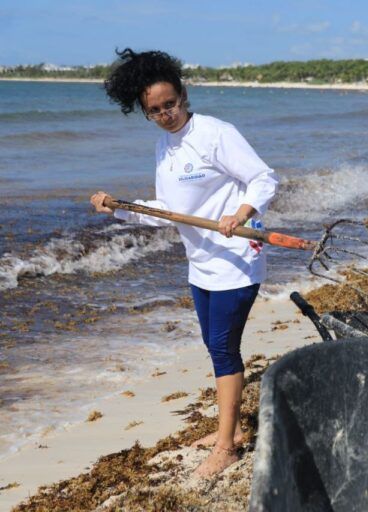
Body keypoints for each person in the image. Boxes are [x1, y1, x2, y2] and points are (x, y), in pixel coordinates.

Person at [90, 49, 278, 477]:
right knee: (217, 349)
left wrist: (241, 213)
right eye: (154, 110)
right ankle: (224, 428)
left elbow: (264, 177)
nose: (165, 115)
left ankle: (226, 446)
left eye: (170, 104)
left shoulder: (215, 133)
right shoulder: (163, 146)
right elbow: (167, 210)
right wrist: (118, 208)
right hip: (201, 263)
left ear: (183, 95)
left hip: (235, 260)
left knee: (224, 349)